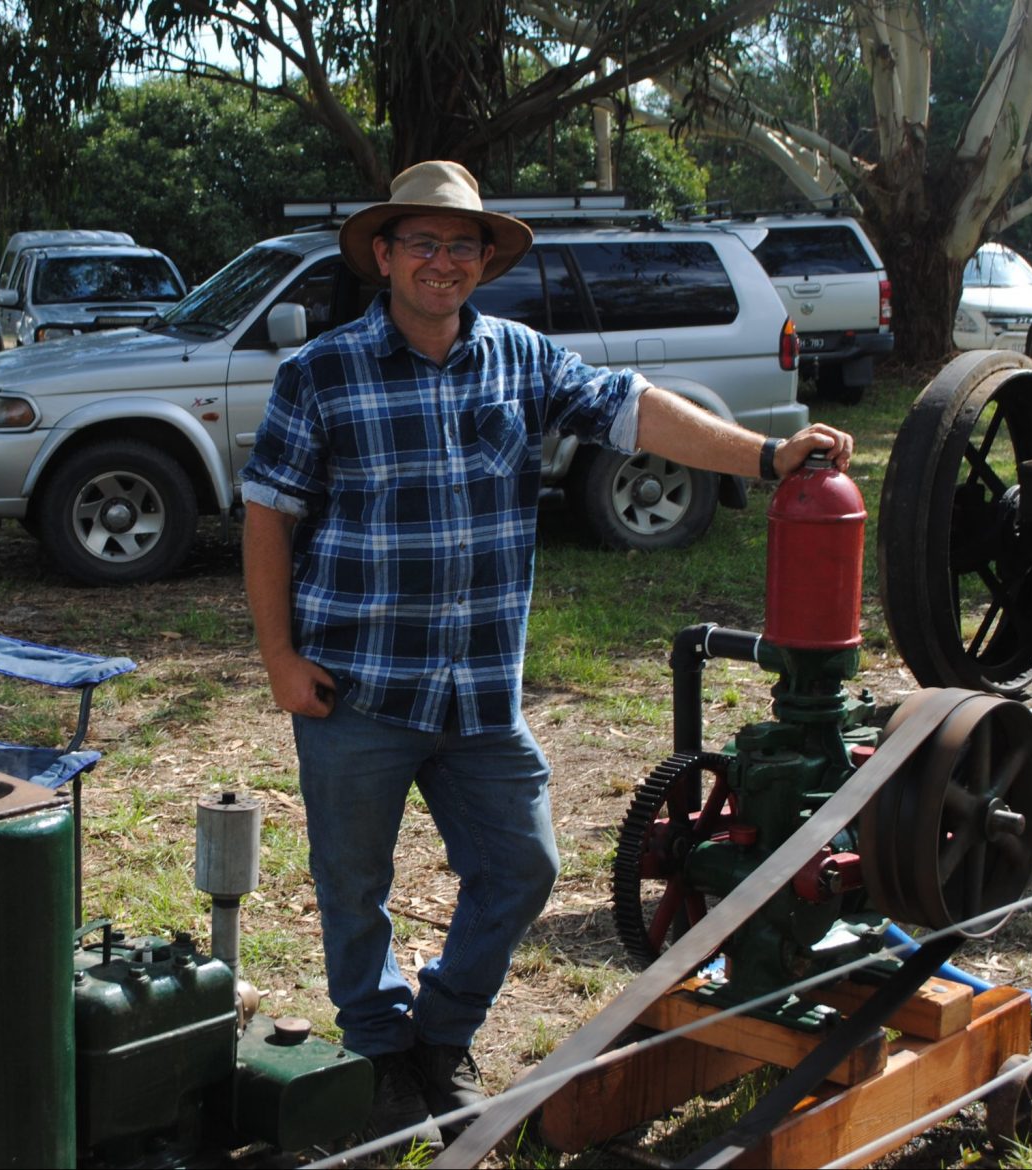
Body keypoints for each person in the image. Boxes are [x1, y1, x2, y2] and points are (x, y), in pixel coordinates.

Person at [241, 160, 852, 1149]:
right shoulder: (322, 373)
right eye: (424, 242)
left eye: (462, 244)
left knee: (525, 866)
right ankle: (382, 1055)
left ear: (485, 261)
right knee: (353, 888)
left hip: (480, 695)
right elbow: (269, 515)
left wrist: (766, 457)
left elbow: (639, 409)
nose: (443, 261)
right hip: (356, 689)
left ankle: (440, 1039)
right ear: (386, 256)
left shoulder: (522, 359)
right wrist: (277, 653)